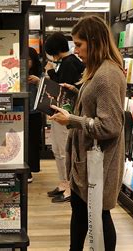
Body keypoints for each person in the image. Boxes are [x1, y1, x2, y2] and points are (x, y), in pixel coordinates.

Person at [49, 16, 126, 251]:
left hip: (99, 163)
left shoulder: (106, 75)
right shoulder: (99, 71)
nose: (76, 50)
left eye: (79, 44)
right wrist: (75, 94)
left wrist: (70, 119)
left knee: (99, 214)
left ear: (95, 42)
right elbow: (95, 107)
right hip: (89, 162)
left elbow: (109, 126)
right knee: (83, 211)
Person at [43, 32, 84, 203]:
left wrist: (51, 72)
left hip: (66, 114)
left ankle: (68, 187)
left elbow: (62, 89)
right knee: (58, 150)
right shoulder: (70, 62)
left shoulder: (69, 63)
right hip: (63, 114)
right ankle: (63, 183)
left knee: (63, 151)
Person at [27, 47, 43, 182]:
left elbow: (47, 93)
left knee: (32, 143)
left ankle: (30, 170)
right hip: (19, 112)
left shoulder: (39, 74)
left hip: (35, 113)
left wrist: (38, 82)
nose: (26, 63)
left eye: (29, 60)